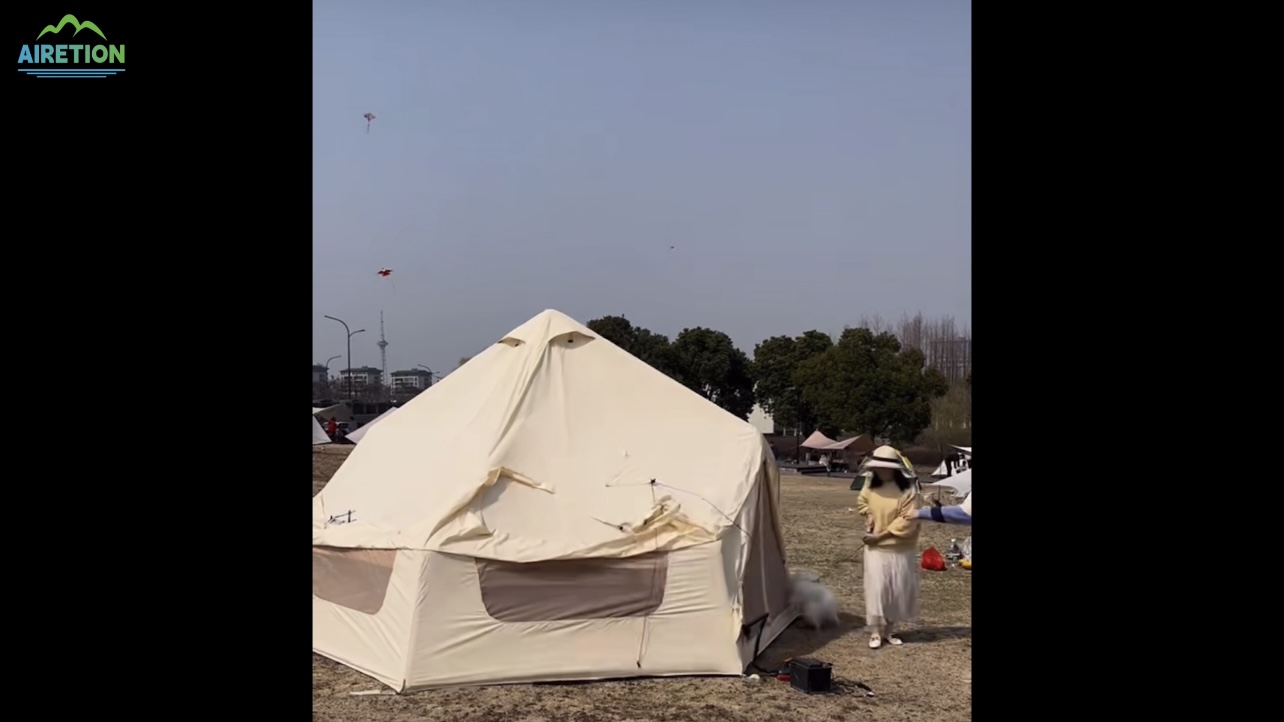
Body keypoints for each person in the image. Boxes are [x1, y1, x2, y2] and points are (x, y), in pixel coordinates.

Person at [855, 445, 922, 649]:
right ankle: (875, 631)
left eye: (884, 468)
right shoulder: (870, 486)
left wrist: (882, 535)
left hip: (900, 549)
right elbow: (862, 502)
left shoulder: (908, 491)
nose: (880, 471)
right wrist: (869, 515)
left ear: (894, 468)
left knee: (895, 591)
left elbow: (908, 519)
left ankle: (890, 630)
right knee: (877, 590)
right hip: (876, 550)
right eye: (877, 467)